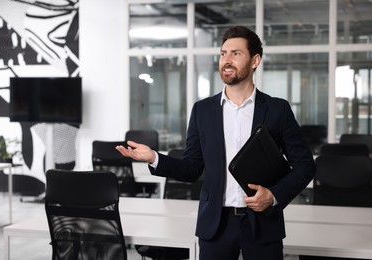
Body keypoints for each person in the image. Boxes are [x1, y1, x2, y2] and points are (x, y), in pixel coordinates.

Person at [116, 25, 316, 260]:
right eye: (223, 54)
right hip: (216, 225)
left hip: (263, 224)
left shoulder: (277, 109)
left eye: (236, 53)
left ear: (255, 60)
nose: (227, 60)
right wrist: (154, 158)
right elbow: (192, 167)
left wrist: (272, 195)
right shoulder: (203, 111)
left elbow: (305, 166)